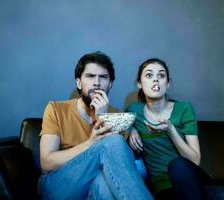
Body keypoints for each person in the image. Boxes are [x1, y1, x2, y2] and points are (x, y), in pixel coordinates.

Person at [38, 51, 153, 200]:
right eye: (90, 76)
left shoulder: (118, 116)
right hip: (58, 185)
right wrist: (91, 142)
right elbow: (47, 162)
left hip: (95, 186)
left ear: (110, 83)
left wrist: (105, 118)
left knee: (105, 184)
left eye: (103, 77)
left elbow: (119, 168)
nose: (96, 82)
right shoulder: (55, 109)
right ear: (79, 82)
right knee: (112, 141)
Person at [126, 58, 224, 200]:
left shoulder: (184, 109)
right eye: (149, 75)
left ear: (167, 84)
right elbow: (120, 131)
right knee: (222, 195)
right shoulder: (133, 111)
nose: (155, 80)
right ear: (140, 84)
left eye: (161, 76)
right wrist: (131, 130)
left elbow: (195, 160)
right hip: (164, 188)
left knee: (178, 165)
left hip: (191, 178)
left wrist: (171, 130)